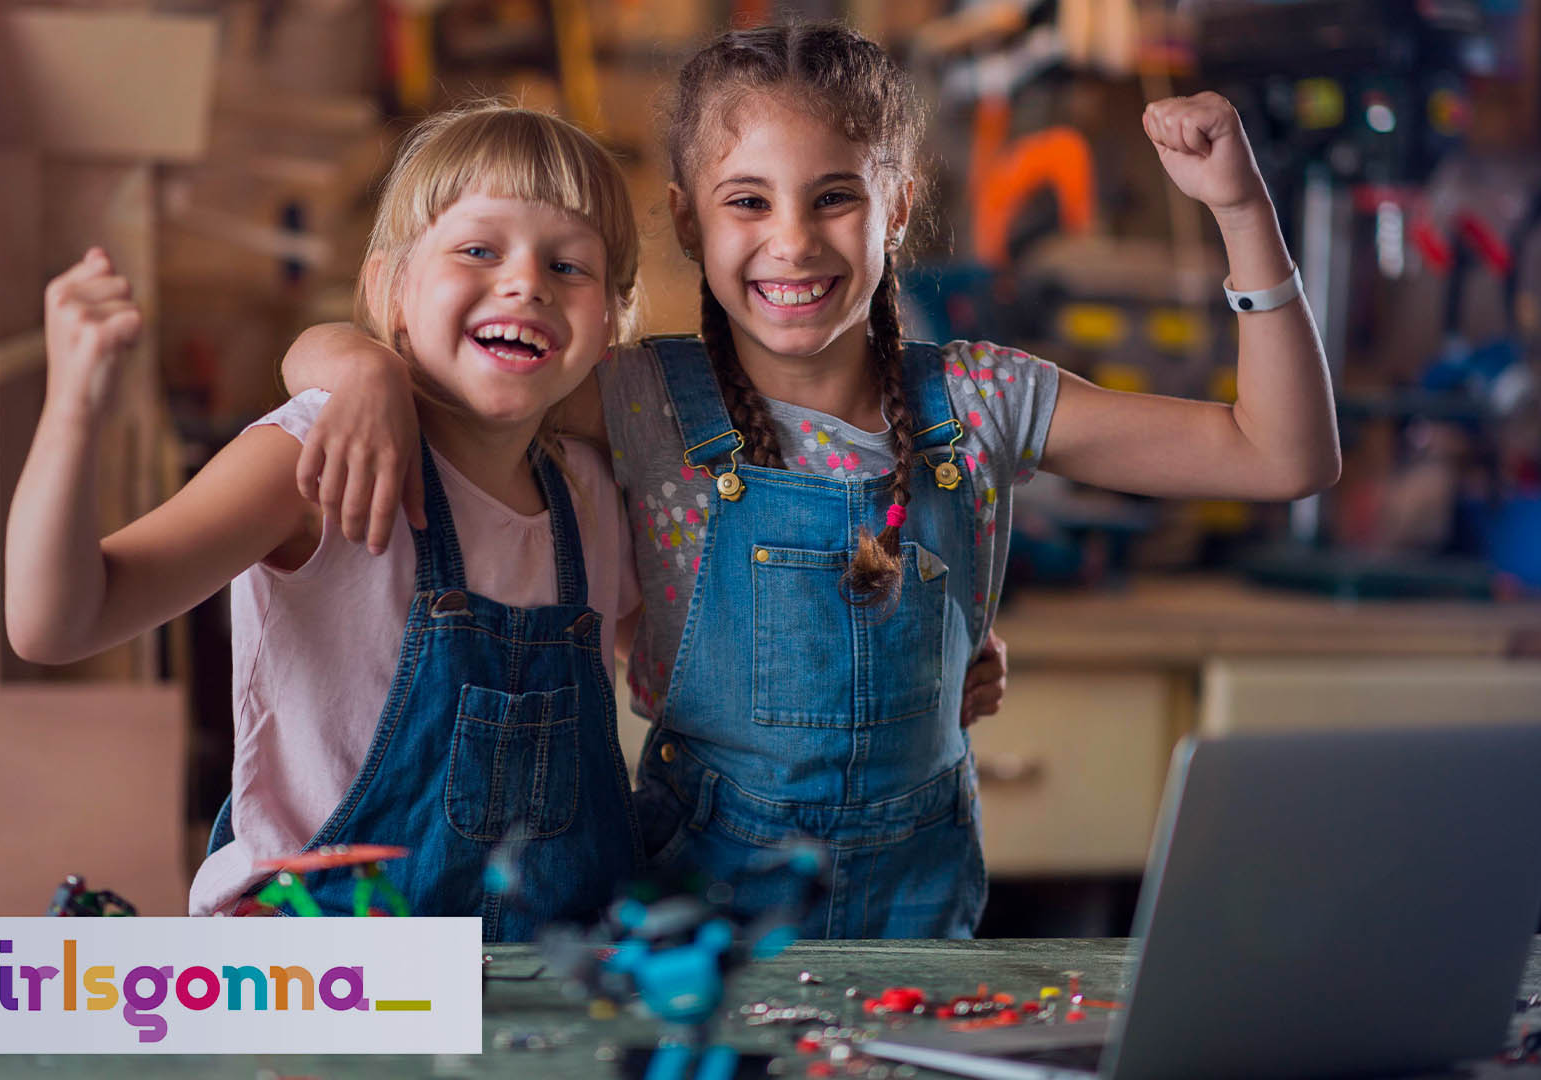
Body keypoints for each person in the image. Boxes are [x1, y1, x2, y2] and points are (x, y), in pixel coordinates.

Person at [278, 24, 1340, 938]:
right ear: (689, 220)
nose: (792, 240)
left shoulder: (983, 399)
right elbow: (432, 360)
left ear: (898, 207)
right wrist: (355, 366)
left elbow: (1281, 454)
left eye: (835, 197)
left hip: (919, 915)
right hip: (696, 917)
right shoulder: (638, 398)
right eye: (748, 200)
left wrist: (1243, 212)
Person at [3, 106, 649, 940]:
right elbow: (57, 624)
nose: (526, 282)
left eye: (568, 265)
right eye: (478, 250)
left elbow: (672, 671)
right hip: (325, 977)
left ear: (609, 327)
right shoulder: (308, 461)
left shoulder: (591, 499)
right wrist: (73, 407)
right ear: (391, 292)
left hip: (544, 990)